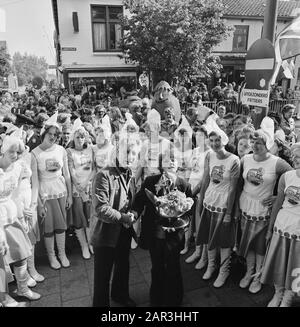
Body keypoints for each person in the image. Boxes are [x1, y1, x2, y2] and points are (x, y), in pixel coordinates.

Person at [235, 118, 292, 294]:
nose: (256, 145)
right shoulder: (245, 159)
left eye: (259, 142)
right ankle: (249, 271)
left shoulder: (276, 162)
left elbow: (292, 178)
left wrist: (278, 197)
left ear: (267, 143)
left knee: (260, 246)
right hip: (246, 207)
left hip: (263, 210)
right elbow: (238, 183)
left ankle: (258, 276)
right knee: (249, 244)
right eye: (253, 142)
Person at [132, 153, 192, 306]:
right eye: (167, 160)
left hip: (175, 235)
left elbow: (190, 207)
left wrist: (184, 219)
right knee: (157, 266)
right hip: (155, 233)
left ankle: (175, 300)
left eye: (174, 160)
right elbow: (139, 201)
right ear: (160, 165)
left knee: (174, 266)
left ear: (179, 165)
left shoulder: (184, 184)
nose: (171, 162)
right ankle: (156, 300)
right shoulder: (151, 181)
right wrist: (133, 214)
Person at [90, 133, 141, 307]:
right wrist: (125, 217)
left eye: (134, 154)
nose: (131, 156)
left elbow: (132, 201)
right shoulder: (103, 175)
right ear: (118, 151)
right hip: (105, 235)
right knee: (102, 277)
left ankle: (120, 295)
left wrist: (133, 213)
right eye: (127, 152)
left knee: (123, 267)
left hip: (123, 232)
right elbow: (101, 209)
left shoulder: (130, 173)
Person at [196, 116, 240, 288]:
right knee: (208, 236)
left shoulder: (234, 160)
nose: (214, 143)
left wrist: (229, 212)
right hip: (209, 201)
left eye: (217, 140)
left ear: (224, 140)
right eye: (211, 140)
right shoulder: (209, 156)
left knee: (223, 240)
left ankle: (224, 271)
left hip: (223, 205)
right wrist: (200, 201)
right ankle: (211, 265)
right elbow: (206, 180)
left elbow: (232, 189)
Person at [0, 134, 41, 301]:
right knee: (1, 260)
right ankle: (3, 297)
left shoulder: (17, 167)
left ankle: (23, 288)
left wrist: (23, 210)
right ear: (3, 151)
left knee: (22, 252)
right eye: (12, 152)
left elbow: (17, 191)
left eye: (17, 152)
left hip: (11, 213)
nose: (15, 155)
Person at [259, 144, 300, 307]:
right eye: (294, 156)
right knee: (278, 263)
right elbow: (277, 205)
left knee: (295, 267)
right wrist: (270, 229)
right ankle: (278, 293)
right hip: (282, 226)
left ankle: (288, 299)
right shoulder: (287, 176)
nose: (296, 159)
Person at [31, 112, 73, 270]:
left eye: (56, 135)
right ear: (44, 132)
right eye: (51, 134)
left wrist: (69, 195)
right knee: (48, 228)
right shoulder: (34, 154)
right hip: (45, 194)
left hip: (61, 191)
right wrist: (39, 204)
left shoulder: (61, 150)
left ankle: (62, 254)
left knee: (61, 225)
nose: (53, 137)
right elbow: (34, 182)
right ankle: (52, 256)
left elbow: (67, 175)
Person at [67, 122, 95, 259]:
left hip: (88, 186)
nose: (80, 140)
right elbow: (70, 169)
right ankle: (83, 245)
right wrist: (78, 184)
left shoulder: (90, 149)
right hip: (77, 188)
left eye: (82, 137)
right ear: (73, 138)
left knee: (90, 216)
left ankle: (90, 243)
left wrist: (88, 182)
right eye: (78, 137)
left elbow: (94, 168)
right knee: (79, 218)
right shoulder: (69, 151)